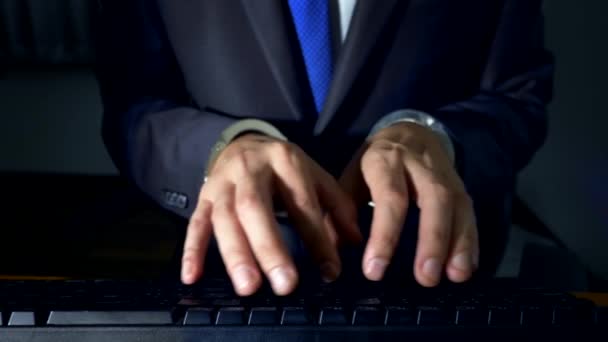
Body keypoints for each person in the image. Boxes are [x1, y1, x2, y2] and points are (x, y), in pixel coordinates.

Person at [96, 0, 554, 296]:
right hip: (232, 293)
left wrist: (438, 135)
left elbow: (519, 95)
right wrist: (218, 148)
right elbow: (131, 104)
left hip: (435, 297)